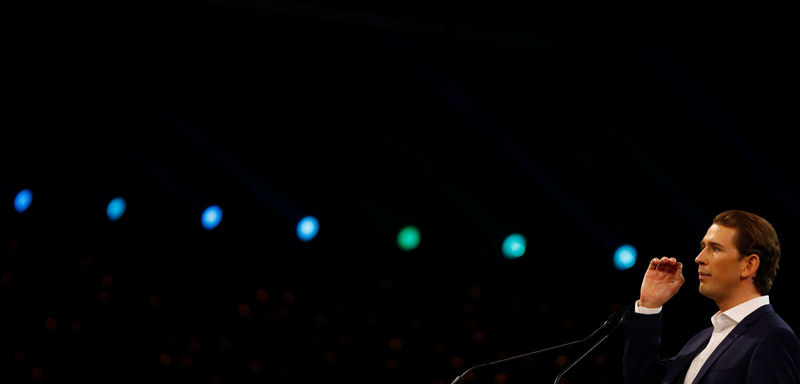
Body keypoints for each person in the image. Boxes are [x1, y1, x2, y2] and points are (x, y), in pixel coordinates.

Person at [623, 210, 800, 383]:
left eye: (715, 248)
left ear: (748, 265)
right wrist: (650, 304)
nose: (699, 258)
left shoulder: (773, 337)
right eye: (703, 247)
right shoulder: (702, 339)